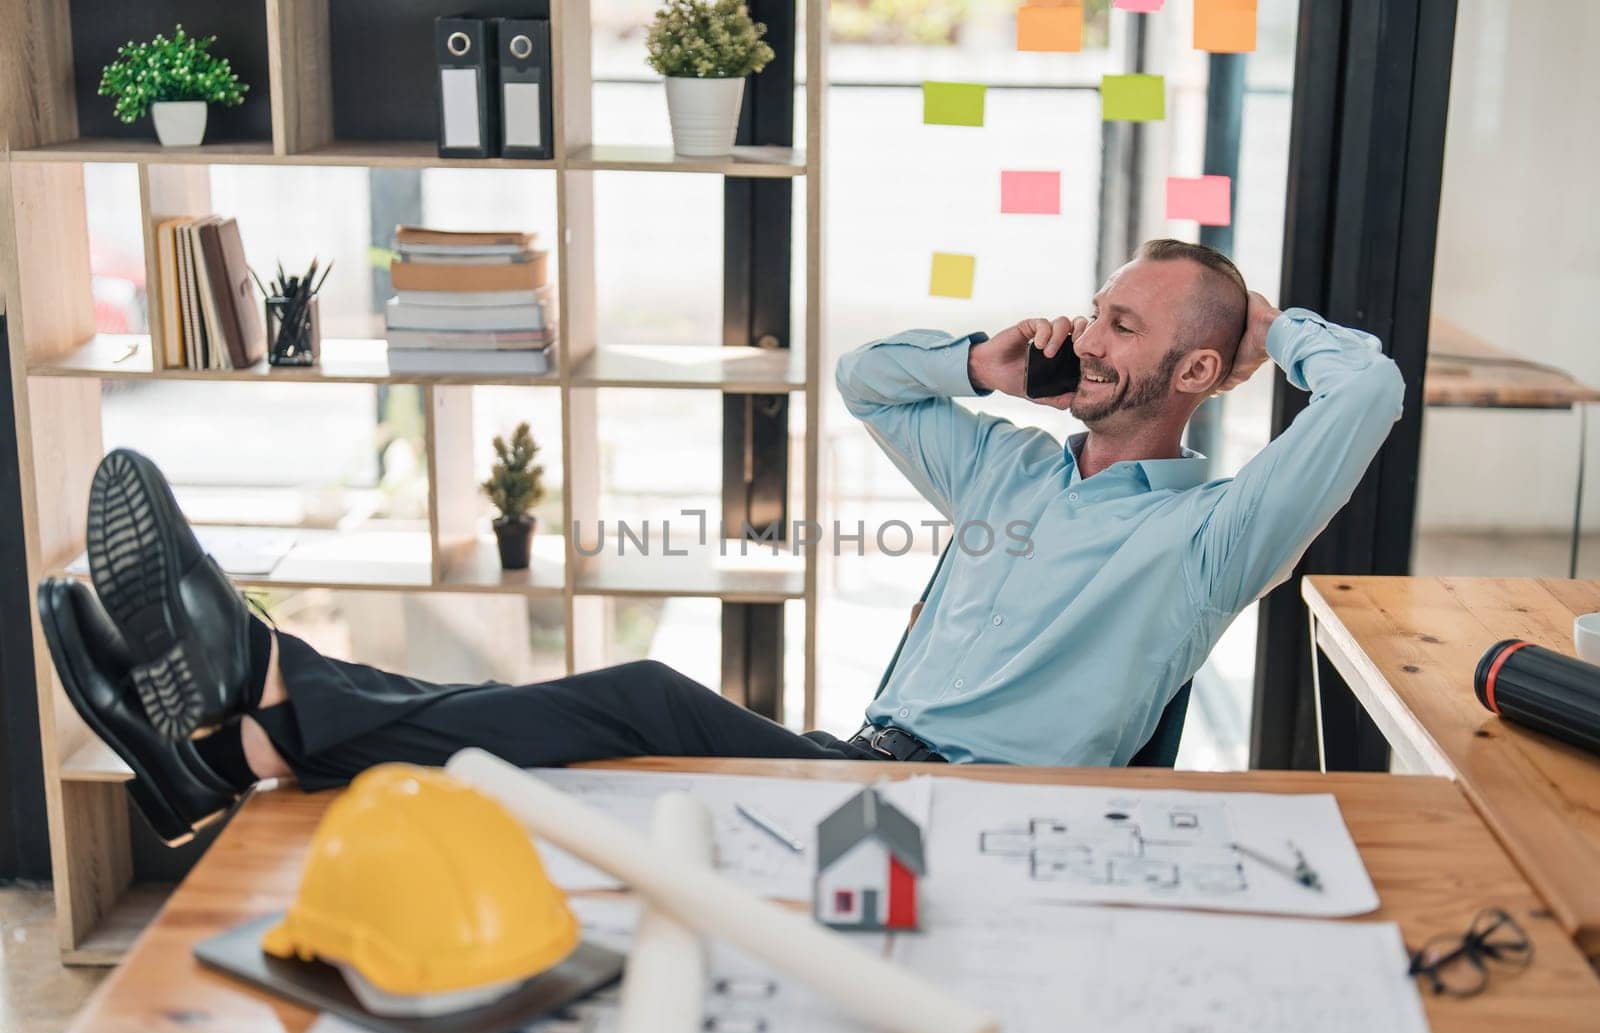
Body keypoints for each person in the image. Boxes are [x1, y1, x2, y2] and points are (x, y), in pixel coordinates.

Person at [38, 239, 1404, 845]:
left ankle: (249, 706)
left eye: (1124, 326)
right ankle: (246, 733)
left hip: (977, 820)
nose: (1087, 334)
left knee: (637, 699)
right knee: (582, 734)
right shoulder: (1010, 468)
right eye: (1094, 310)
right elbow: (869, 378)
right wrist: (988, 362)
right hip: (865, 768)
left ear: (1198, 370)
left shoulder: (1219, 538)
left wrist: (1270, 330)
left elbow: (1371, 394)